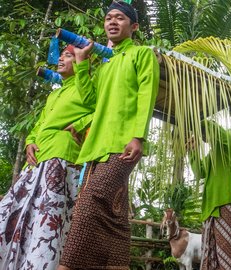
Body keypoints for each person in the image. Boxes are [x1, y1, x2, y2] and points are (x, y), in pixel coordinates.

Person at [58, 1, 159, 269]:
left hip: (123, 145)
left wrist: (138, 136)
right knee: (115, 215)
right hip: (95, 146)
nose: (112, 22)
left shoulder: (141, 54)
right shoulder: (102, 66)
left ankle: (67, 265)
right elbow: (90, 101)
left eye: (120, 18)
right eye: (108, 18)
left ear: (133, 26)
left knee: (90, 202)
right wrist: (81, 64)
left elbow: (146, 96)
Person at [0, 45, 93, 270]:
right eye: (61, 56)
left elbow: (95, 108)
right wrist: (31, 141)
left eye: (68, 56)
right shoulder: (55, 93)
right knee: (12, 213)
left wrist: (78, 125)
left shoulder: (85, 85)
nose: (61, 59)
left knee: (48, 222)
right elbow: (40, 124)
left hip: (61, 157)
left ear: (81, 61)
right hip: (36, 158)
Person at [189, 120, 231, 270]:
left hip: (226, 203)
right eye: (201, 133)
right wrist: (193, 150)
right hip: (210, 208)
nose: (203, 136)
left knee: (227, 254)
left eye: (204, 132)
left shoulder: (226, 147)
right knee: (211, 255)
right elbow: (199, 172)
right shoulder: (211, 155)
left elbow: (226, 137)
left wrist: (201, 119)